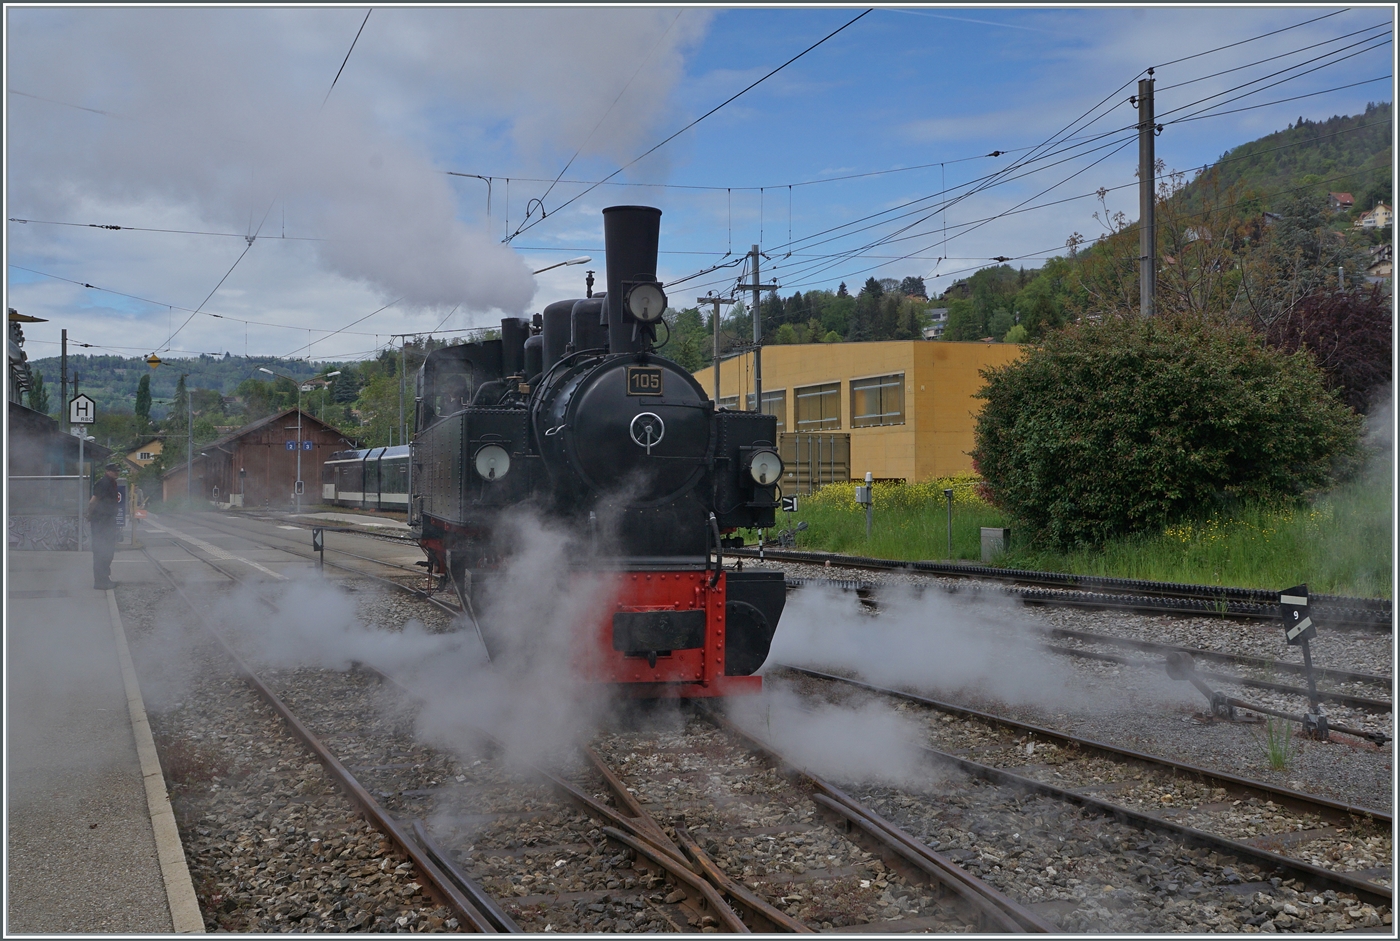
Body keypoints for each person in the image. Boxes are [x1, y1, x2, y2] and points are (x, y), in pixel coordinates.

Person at [87, 463, 122, 589]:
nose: (117, 472)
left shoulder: (111, 483)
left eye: (117, 470)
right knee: (101, 552)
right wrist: (90, 515)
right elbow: (93, 501)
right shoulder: (103, 483)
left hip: (108, 522)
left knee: (107, 552)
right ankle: (100, 582)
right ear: (107, 471)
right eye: (114, 471)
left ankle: (105, 579)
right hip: (101, 522)